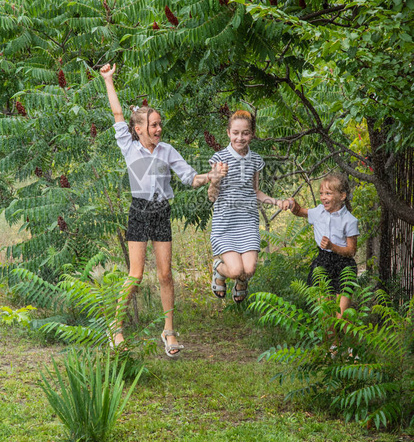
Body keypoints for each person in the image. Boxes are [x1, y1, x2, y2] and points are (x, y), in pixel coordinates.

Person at [100, 63, 227, 357]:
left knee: (166, 275)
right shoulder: (128, 146)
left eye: (160, 124)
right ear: (139, 129)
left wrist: (212, 176)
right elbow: (118, 113)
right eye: (153, 125)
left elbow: (190, 178)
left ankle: (169, 332)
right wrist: (109, 79)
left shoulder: (167, 150)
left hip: (161, 211)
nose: (159, 129)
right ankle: (115, 327)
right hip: (139, 210)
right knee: (135, 275)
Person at [208, 110, 279, 303]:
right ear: (228, 133)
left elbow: (255, 192)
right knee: (236, 270)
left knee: (249, 270)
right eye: (236, 133)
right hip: (225, 225)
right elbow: (211, 197)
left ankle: (242, 282)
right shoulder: (219, 158)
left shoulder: (255, 160)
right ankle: (219, 269)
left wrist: (276, 202)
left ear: (252, 134)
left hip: (247, 223)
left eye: (245, 133)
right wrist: (215, 180)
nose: (240, 137)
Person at [279, 172, 359, 321]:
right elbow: (299, 211)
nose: (323, 197)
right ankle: (333, 344)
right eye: (321, 193)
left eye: (328, 193)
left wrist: (332, 246)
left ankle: (349, 344)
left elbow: (352, 251)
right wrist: (291, 203)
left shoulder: (349, 220)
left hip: (344, 265)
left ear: (342, 196)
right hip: (323, 263)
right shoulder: (318, 212)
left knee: (342, 316)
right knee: (325, 314)